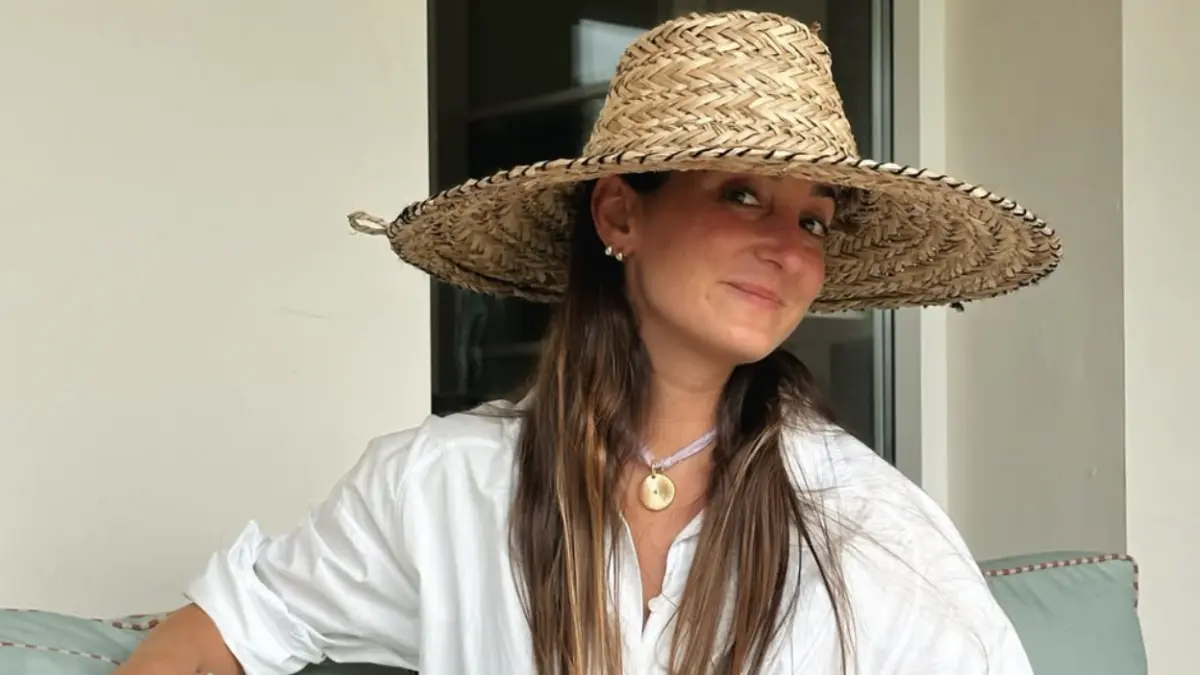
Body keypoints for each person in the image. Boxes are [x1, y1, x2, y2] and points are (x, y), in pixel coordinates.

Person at [114, 10, 1059, 675]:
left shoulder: (866, 524)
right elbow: (217, 636)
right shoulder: (442, 487)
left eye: (814, 220)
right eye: (741, 194)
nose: (788, 247)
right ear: (620, 213)